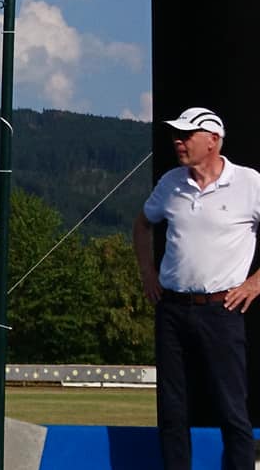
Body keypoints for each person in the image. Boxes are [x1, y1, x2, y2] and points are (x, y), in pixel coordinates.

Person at [133, 107, 260, 470]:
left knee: (231, 408)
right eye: (176, 135)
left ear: (213, 140)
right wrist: (147, 273)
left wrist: (255, 283)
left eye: (187, 135)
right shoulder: (171, 182)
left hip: (222, 309)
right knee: (172, 409)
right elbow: (142, 224)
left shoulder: (249, 183)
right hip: (172, 308)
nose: (178, 141)